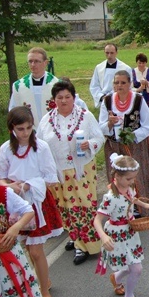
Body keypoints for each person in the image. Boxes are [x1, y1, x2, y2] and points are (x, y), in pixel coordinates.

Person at [0, 106, 64, 297]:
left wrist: (28, 185)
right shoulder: (6, 149)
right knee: (24, 248)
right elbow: (0, 176)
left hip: (36, 203)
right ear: (12, 129)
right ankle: (42, 280)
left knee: (36, 251)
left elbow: (50, 178)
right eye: (20, 129)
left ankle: (44, 293)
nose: (25, 133)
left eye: (28, 128)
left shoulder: (40, 147)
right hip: (15, 203)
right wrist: (10, 187)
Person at [37, 81, 105, 265]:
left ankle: (85, 246)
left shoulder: (85, 116)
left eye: (68, 97)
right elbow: (40, 146)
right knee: (66, 207)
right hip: (59, 173)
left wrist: (89, 145)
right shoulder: (46, 120)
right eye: (59, 97)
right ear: (54, 100)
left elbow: (99, 137)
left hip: (81, 171)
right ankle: (76, 238)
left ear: (74, 98)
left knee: (83, 206)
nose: (64, 101)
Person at [94, 154, 149, 297]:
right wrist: (103, 236)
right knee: (136, 268)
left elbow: (132, 198)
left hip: (130, 232)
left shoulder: (129, 188)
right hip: (117, 235)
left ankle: (116, 277)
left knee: (130, 265)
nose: (132, 182)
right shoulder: (110, 197)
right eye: (128, 179)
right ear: (117, 176)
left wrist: (143, 205)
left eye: (133, 178)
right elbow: (97, 220)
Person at [0, 163, 49, 297]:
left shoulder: (3, 193)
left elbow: (28, 210)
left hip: (8, 252)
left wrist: (15, 227)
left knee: (16, 292)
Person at [99, 70, 149, 204]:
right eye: (116, 83)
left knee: (136, 176)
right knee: (118, 176)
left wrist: (131, 136)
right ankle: (120, 207)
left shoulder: (138, 99)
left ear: (129, 84)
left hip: (136, 146)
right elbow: (101, 126)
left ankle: (140, 206)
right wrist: (109, 123)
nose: (119, 85)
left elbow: (147, 126)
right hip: (114, 146)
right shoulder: (108, 100)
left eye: (123, 82)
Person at [8, 47, 59, 128]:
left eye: (37, 61)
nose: (33, 64)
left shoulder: (57, 85)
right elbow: (13, 111)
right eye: (30, 61)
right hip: (29, 132)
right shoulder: (19, 86)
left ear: (45, 63)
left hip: (53, 130)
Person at [90, 44, 132, 108]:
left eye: (112, 53)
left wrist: (113, 95)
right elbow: (94, 85)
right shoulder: (99, 68)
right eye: (107, 53)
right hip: (103, 100)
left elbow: (129, 86)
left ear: (116, 53)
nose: (109, 55)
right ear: (104, 52)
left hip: (120, 99)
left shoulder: (126, 68)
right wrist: (101, 96)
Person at [132, 53, 149, 140]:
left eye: (143, 63)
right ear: (137, 63)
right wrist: (138, 89)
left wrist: (147, 84)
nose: (141, 65)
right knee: (139, 116)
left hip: (148, 97)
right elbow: (130, 87)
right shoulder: (133, 72)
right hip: (136, 97)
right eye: (139, 63)